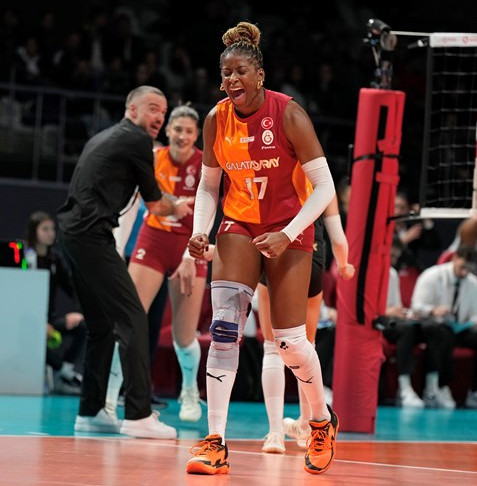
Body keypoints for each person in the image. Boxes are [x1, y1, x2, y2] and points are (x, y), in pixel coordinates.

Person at [186, 21, 338, 476]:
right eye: (225, 73)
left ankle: (320, 421)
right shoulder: (216, 119)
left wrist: (288, 233)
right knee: (224, 329)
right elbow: (209, 186)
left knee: (289, 342)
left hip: (289, 228)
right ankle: (215, 441)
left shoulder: (289, 114)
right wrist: (200, 229)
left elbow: (325, 187)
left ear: (260, 76)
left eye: (240, 72)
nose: (232, 80)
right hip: (238, 223)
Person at [56, 85, 194, 439]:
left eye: (163, 111)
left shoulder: (104, 137)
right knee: (133, 317)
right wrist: (178, 206)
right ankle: (138, 414)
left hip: (72, 235)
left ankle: (90, 412)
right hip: (91, 236)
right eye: (152, 108)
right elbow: (156, 204)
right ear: (132, 109)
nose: (159, 116)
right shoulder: (136, 141)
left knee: (101, 324)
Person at [104, 104, 213, 423]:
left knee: (184, 335)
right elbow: (131, 204)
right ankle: (109, 399)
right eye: (177, 129)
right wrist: (118, 247)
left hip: (189, 246)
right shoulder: (152, 158)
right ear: (168, 130)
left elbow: (210, 212)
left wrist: (190, 256)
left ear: (196, 135)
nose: (182, 136)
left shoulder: (205, 164)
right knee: (128, 321)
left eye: (189, 131)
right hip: (152, 241)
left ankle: (189, 391)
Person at [258, 196, 354, 454]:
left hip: (273, 250)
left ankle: (275, 434)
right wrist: (344, 265)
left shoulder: (273, 175)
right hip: (310, 257)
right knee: (305, 345)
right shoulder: (322, 184)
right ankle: (306, 427)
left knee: (272, 348)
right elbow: (338, 238)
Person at [376, 235, 454, 408]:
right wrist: (386, 312)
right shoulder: (367, 272)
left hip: (395, 321)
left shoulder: (392, 273)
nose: (394, 260)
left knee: (435, 328)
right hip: (377, 322)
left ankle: (432, 388)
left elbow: (396, 305)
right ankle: (404, 388)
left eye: (396, 257)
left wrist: (404, 313)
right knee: (406, 330)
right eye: (391, 255)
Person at [25, 210, 86, 395]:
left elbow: (73, 289)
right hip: (27, 321)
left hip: (50, 320)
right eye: (45, 229)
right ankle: (64, 372)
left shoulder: (55, 260)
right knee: (35, 336)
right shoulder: (25, 257)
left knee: (82, 326)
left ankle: (64, 372)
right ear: (34, 231)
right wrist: (39, 322)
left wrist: (78, 312)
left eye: (52, 229)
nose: (50, 233)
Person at [411, 244, 477, 408]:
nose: (464, 272)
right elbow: (416, 305)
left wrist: (472, 320)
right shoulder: (431, 276)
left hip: (459, 328)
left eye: (468, 269)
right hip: (430, 326)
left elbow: (475, 313)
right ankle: (436, 388)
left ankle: (474, 392)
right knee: (442, 333)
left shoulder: (473, 283)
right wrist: (433, 310)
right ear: (455, 258)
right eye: (462, 267)